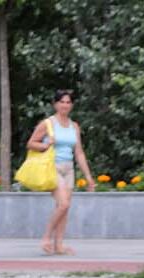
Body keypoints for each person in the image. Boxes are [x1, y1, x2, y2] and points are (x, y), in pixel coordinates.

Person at [28, 89, 96, 256]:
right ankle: (46, 237)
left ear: (71, 105)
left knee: (64, 207)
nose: (65, 105)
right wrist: (45, 145)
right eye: (62, 102)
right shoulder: (48, 123)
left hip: (68, 168)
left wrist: (88, 177)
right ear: (55, 104)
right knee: (63, 203)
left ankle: (59, 245)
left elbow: (79, 152)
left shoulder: (74, 126)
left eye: (68, 102)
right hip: (52, 166)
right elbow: (31, 143)